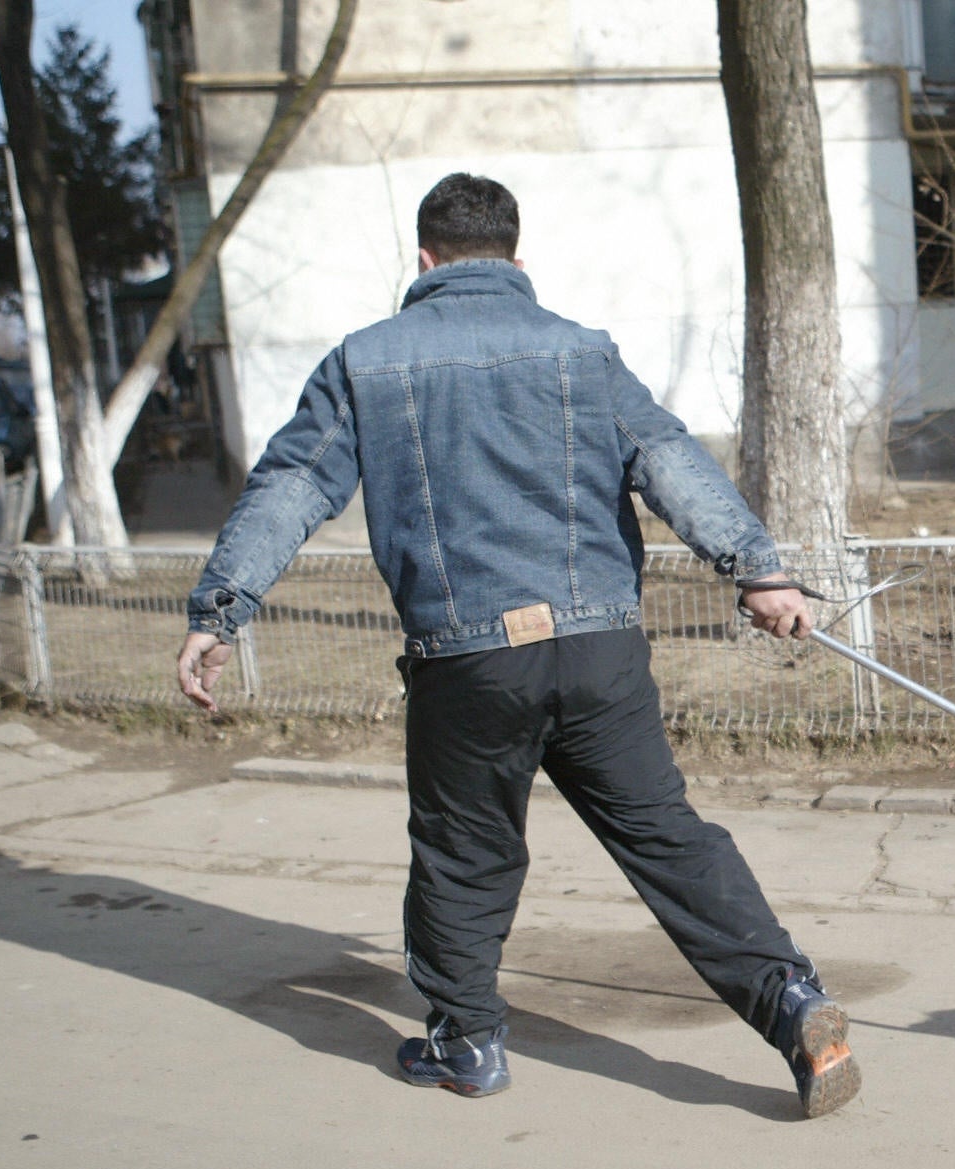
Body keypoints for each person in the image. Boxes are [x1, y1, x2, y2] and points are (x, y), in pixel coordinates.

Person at [174, 173, 859, 1118]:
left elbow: (290, 488)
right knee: (668, 839)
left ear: (424, 261)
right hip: (600, 652)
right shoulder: (583, 353)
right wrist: (759, 570)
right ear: (516, 258)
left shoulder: (365, 361)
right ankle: (794, 1005)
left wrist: (219, 612)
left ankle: (467, 1043)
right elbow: (670, 458)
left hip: (469, 662)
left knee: (465, 852)